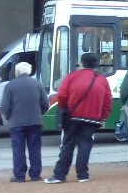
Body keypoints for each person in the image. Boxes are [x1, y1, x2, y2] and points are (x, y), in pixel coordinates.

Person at [45, 53, 112, 184]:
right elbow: (108, 101)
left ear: (81, 63)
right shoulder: (102, 79)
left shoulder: (72, 76)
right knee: (85, 145)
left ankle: (60, 174)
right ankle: (82, 174)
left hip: (73, 116)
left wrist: (65, 108)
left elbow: (62, 96)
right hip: (92, 118)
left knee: (67, 144)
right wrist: (103, 117)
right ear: (95, 65)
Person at [1, 61, 49, 183]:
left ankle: (19, 175)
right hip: (35, 121)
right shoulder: (37, 84)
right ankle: (35, 174)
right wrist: (40, 113)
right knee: (35, 148)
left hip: (16, 122)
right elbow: (45, 103)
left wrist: (8, 117)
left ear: (16, 72)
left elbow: (5, 106)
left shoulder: (10, 86)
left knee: (18, 148)